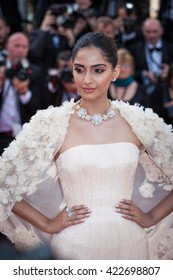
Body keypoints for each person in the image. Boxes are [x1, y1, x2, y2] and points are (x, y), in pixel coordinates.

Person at [0, 32, 173, 260]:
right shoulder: (51, 124)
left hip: (131, 247)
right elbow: (3, 182)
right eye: (79, 69)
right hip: (73, 248)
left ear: (115, 72)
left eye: (98, 70)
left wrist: (151, 217)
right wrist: (48, 223)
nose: (86, 80)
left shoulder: (139, 122)